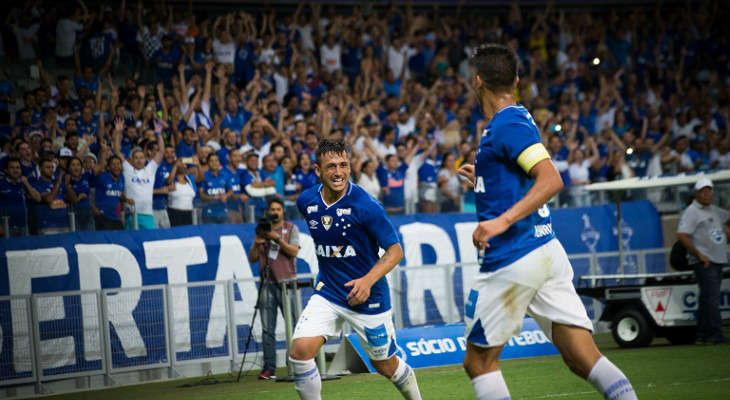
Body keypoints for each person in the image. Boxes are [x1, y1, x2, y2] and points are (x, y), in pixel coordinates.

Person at [458, 43, 637, 400]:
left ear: (477, 82)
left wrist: (501, 221)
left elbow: (551, 179)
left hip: (515, 255)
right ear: (516, 80)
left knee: (479, 363)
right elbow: (525, 172)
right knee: (581, 357)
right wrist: (484, 177)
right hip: (545, 250)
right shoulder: (518, 116)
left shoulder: (505, 122)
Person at [292, 139, 422, 400]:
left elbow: (395, 251)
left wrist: (366, 281)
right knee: (299, 353)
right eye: (331, 166)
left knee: (385, 366)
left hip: (369, 297)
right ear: (318, 170)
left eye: (343, 165)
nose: (338, 172)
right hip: (328, 293)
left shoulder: (366, 205)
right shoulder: (306, 201)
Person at [248, 198, 301, 380]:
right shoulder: (262, 230)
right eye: (272, 209)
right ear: (268, 212)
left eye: (278, 209)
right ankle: (269, 367)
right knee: (267, 328)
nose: (275, 212)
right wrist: (257, 242)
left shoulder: (291, 228)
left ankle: (298, 364)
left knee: (294, 326)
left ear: (283, 211)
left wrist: (276, 239)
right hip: (267, 283)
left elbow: (294, 251)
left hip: (288, 284)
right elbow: (253, 258)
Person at [676, 179, 729, 345]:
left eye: (709, 191)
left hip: (718, 259)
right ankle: (715, 333)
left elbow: (727, 217)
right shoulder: (691, 211)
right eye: (703, 191)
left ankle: (702, 334)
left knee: (707, 298)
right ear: (696, 193)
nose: (707, 194)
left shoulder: (713, 210)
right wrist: (699, 255)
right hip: (705, 261)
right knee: (712, 298)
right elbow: (682, 235)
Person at [0, 157, 41, 236]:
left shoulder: (25, 184)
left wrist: (27, 184)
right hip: (6, 227)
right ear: (6, 170)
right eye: (12, 168)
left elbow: (38, 198)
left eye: (18, 168)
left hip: (25, 227)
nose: (16, 170)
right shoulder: (1, 184)